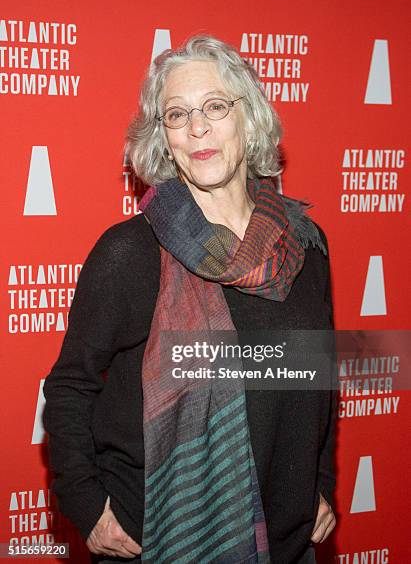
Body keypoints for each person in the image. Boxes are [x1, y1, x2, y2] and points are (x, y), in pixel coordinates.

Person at [43, 34, 337, 564]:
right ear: (163, 137)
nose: (197, 126)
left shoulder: (305, 245)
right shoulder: (129, 252)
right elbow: (69, 387)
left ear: (250, 118)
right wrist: (87, 506)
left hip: (287, 536)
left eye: (215, 106)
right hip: (157, 532)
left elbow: (316, 376)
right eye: (176, 114)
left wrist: (319, 481)